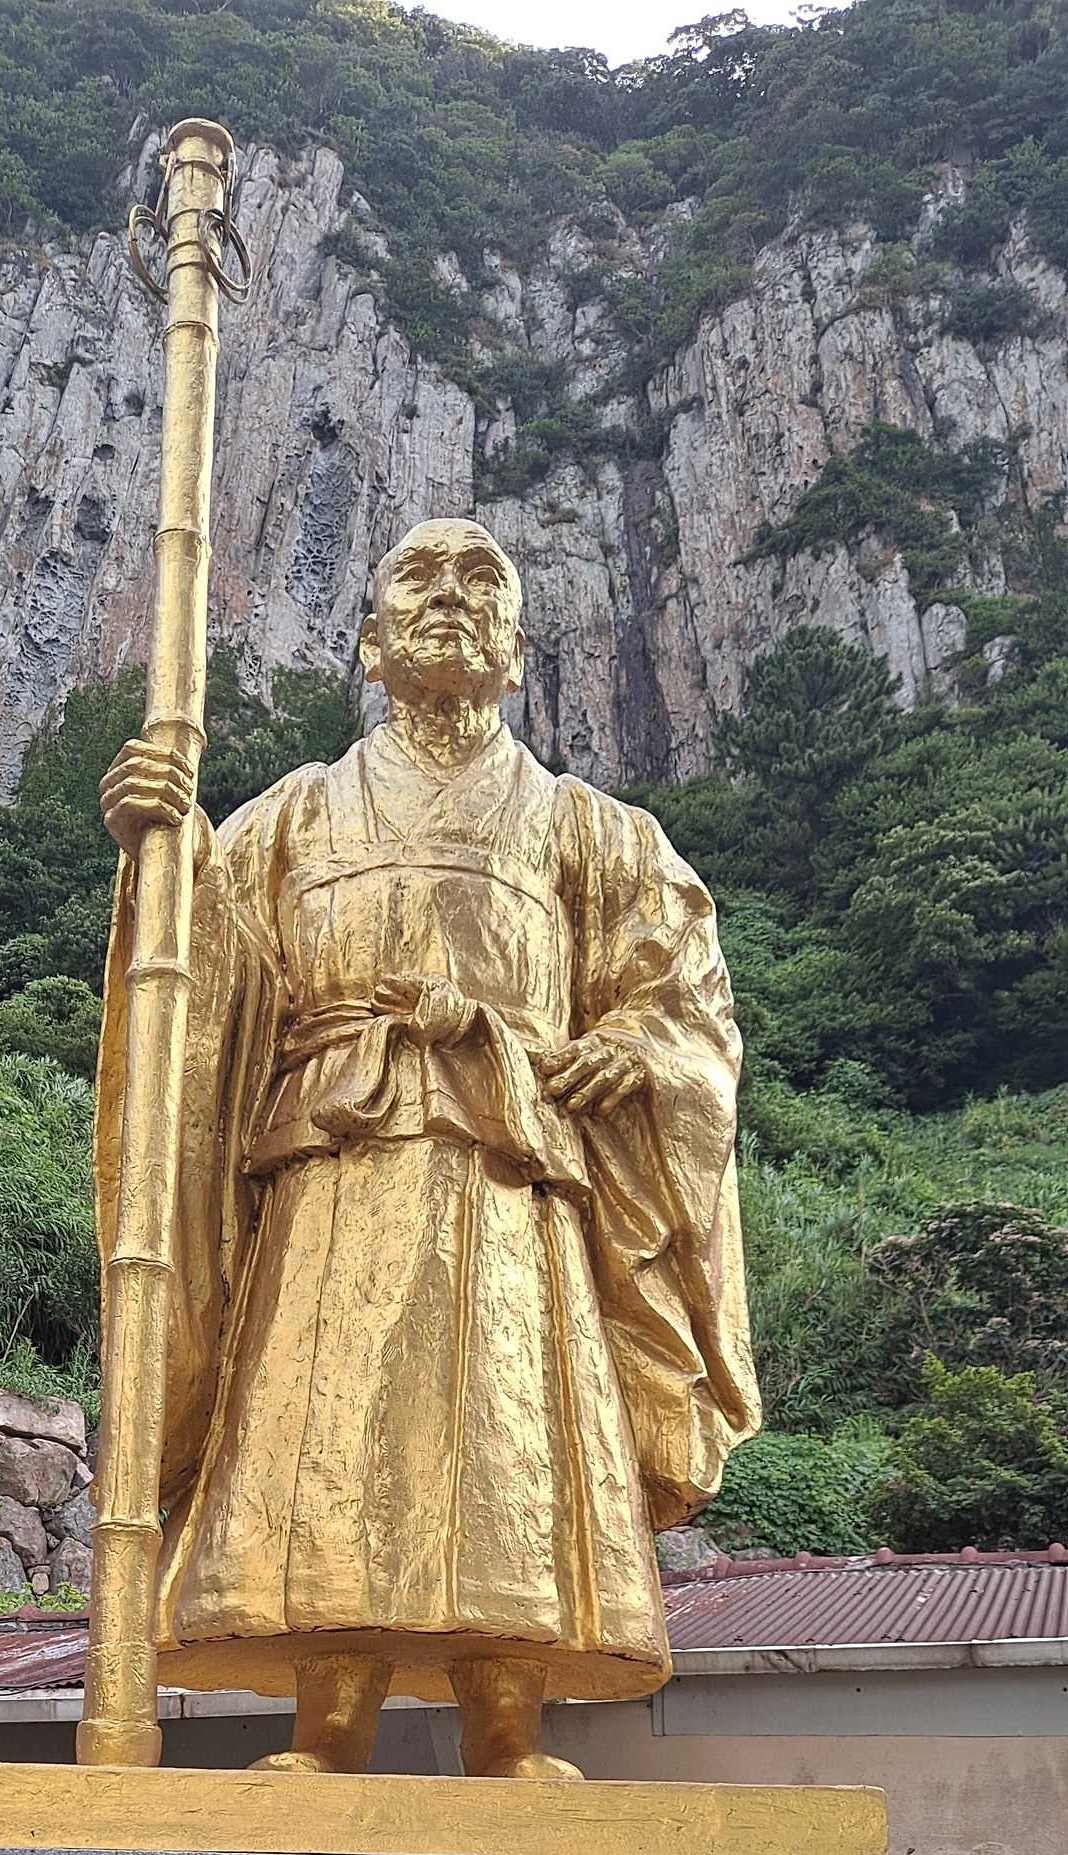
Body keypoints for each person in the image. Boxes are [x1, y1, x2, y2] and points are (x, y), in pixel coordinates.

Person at [96, 518, 759, 1779]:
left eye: (481, 582)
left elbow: (683, 1003)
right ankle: (325, 1726)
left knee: (507, 1439)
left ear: (518, 654)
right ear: (368, 642)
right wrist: (159, 857)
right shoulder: (293, 816)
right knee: (326, 1433)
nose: (449, 596)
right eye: (417, 578)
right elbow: (206, 986)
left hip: (511, 1175)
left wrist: (635, 1050)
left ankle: (506, 1726)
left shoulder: (587, 829)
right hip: (332, 1165)